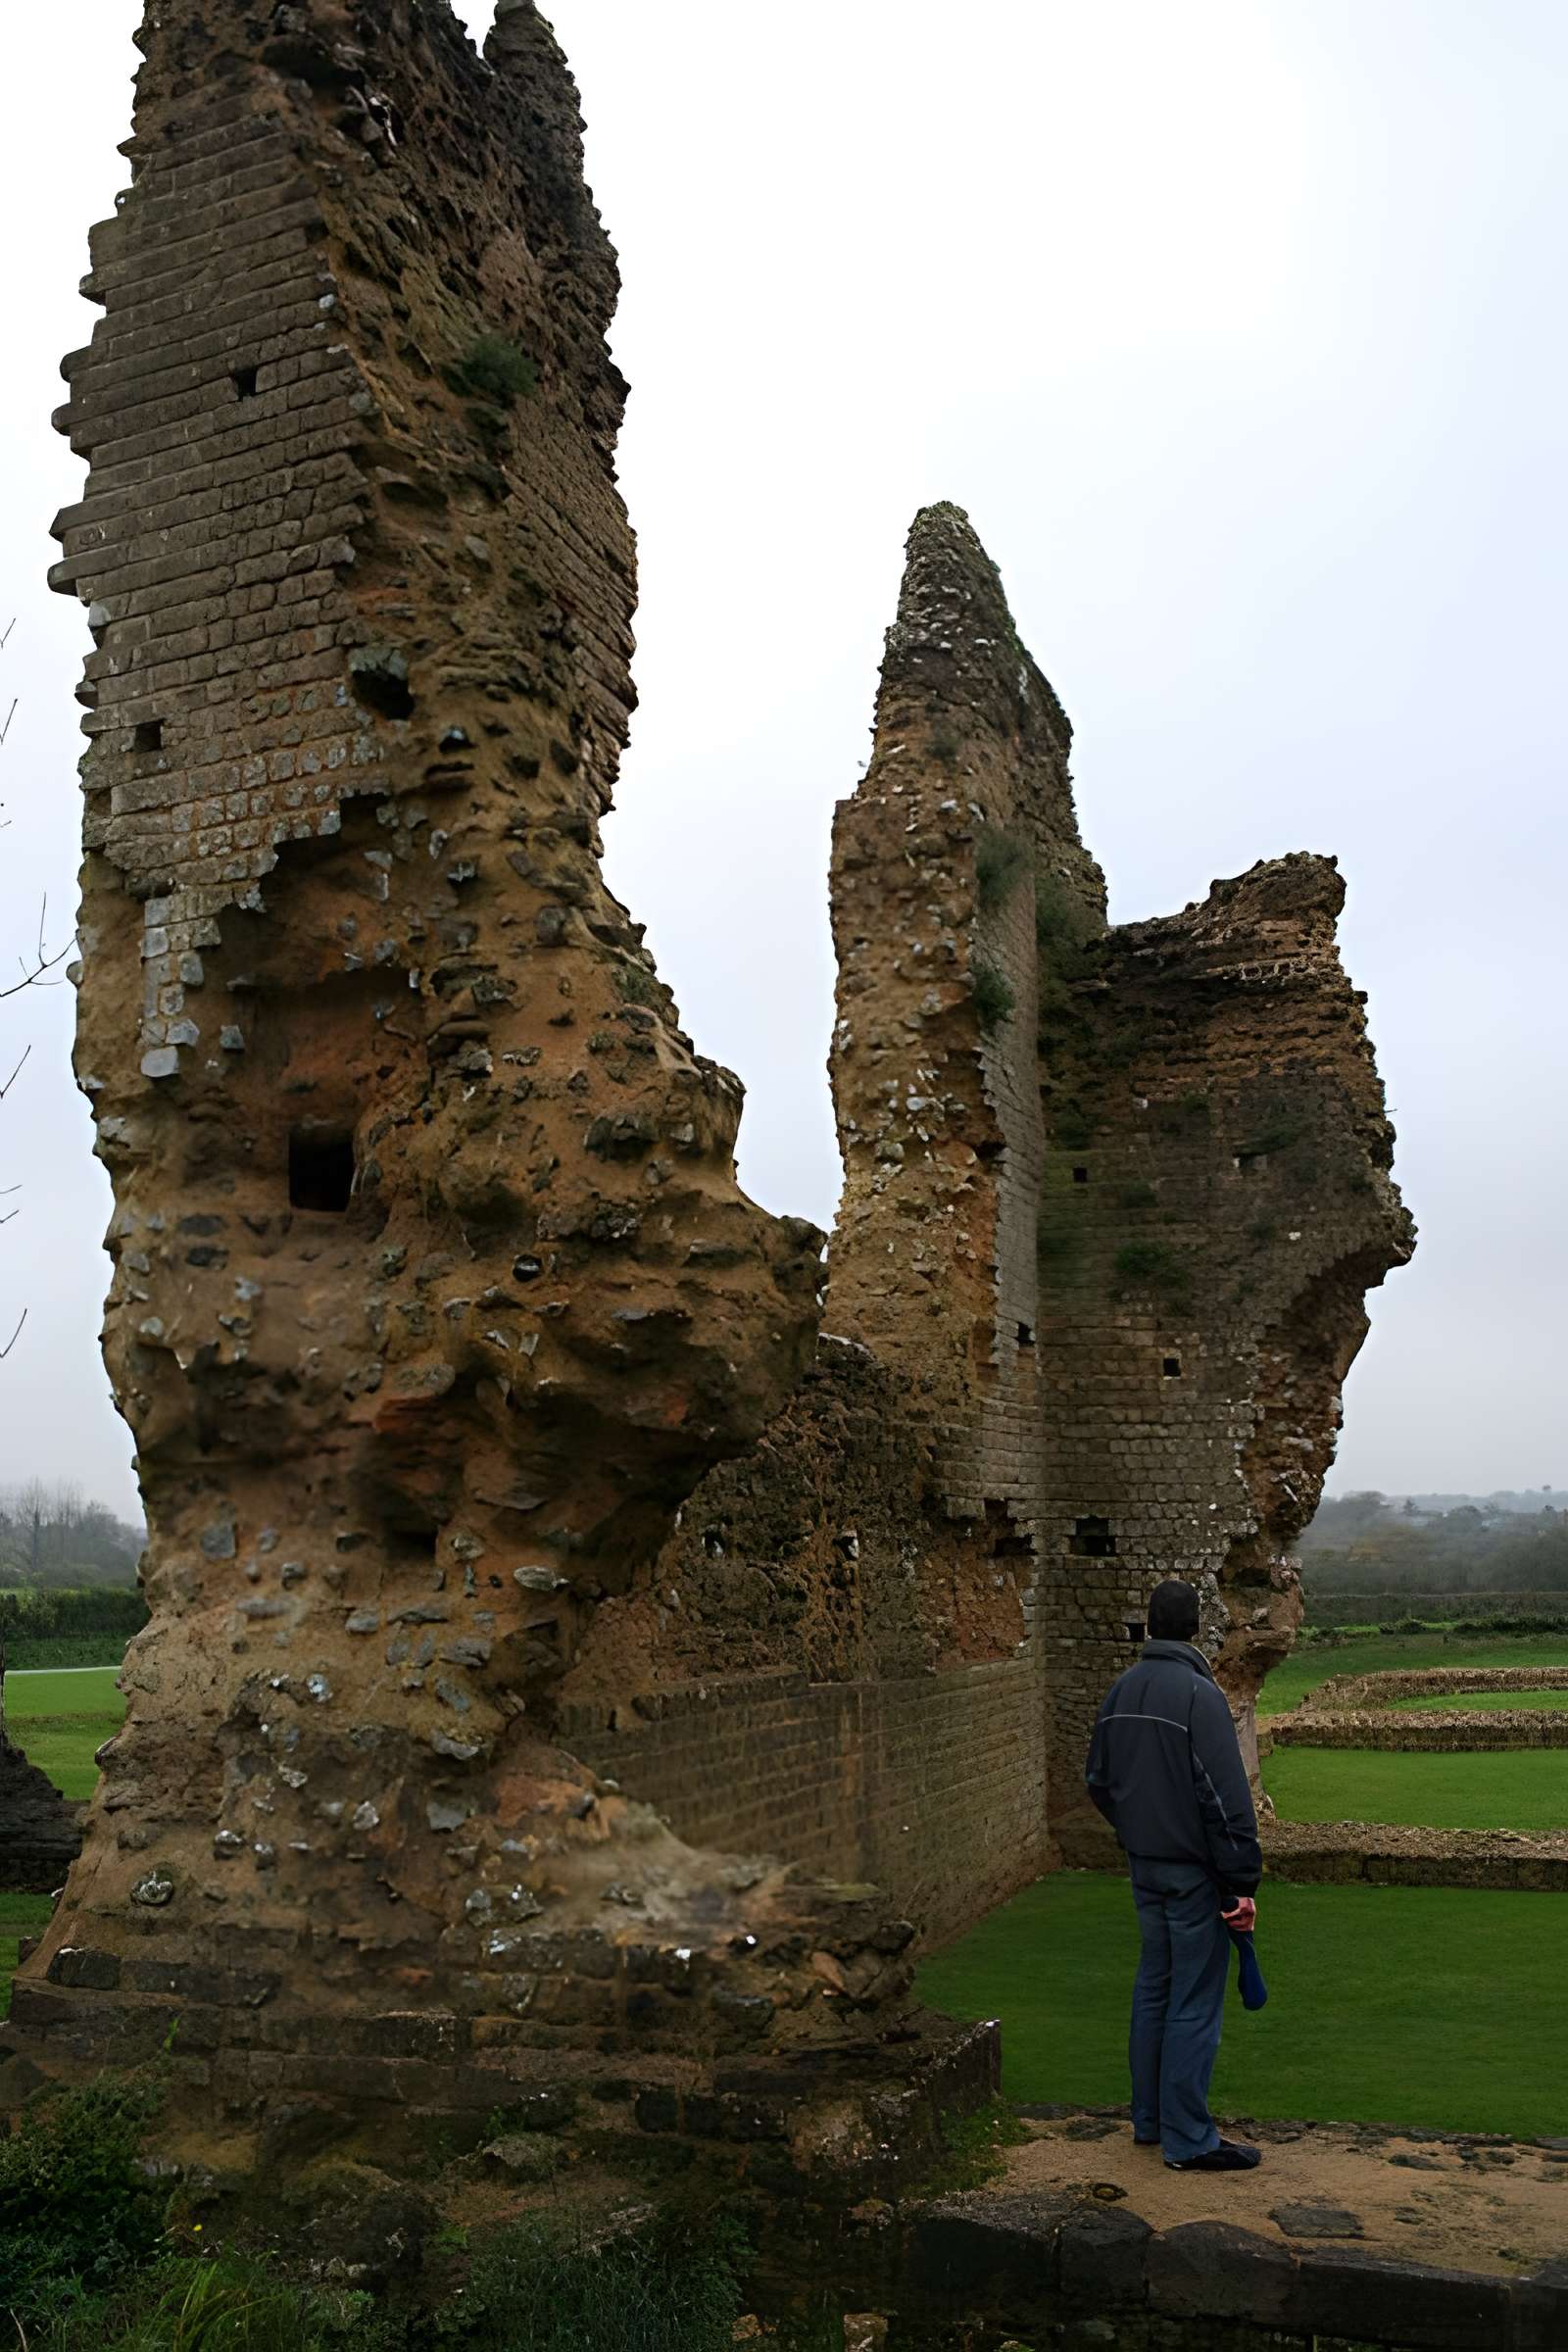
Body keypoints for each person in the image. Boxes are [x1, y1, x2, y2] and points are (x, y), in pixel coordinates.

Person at [1084, 1577, 1263, 2172]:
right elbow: (1225, 1798)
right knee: (1193, 1998)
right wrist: (1241, 1882)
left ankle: (1150, 2122)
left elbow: (1098, 1784)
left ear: (1151, 1625)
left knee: (1153, 1988)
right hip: (1193, 1873)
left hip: (1144, 1867)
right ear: (1195, 1628)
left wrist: (1138, 1832)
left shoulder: (1121, 1690)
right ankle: (1189, 2140)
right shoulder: (1198, 1695)